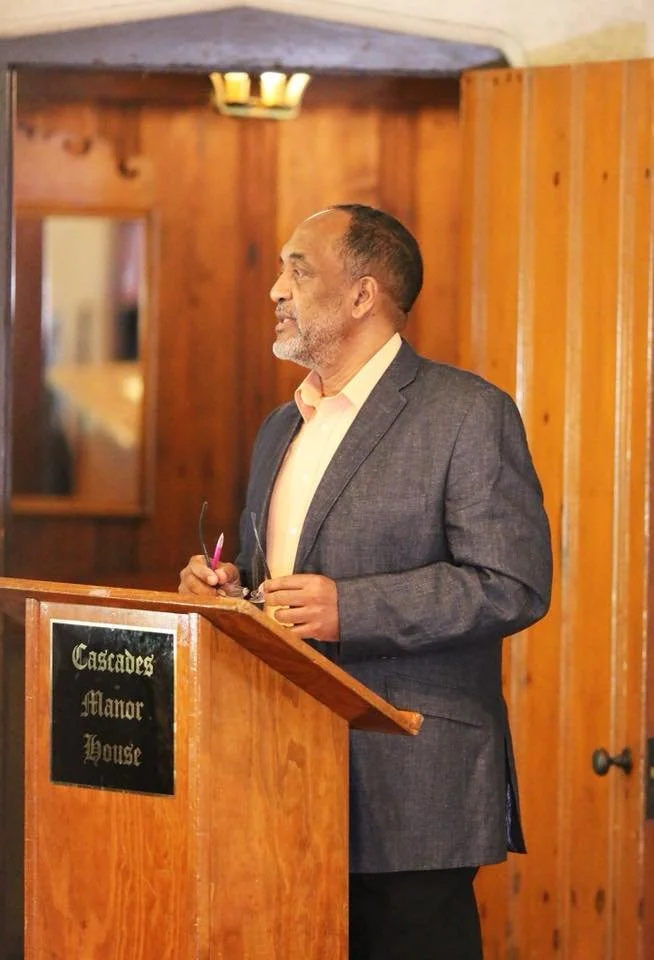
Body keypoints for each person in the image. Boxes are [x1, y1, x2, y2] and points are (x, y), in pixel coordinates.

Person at [179, 204, 552, 959]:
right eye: (280, 271)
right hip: (284, 776)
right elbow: (274, 584)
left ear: (361, 295)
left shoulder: (467, 414)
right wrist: (227, 590)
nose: (276, 290)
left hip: (413, 784)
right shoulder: (280, 426)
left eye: (298, 270)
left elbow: (512, 581)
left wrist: (353, 608)